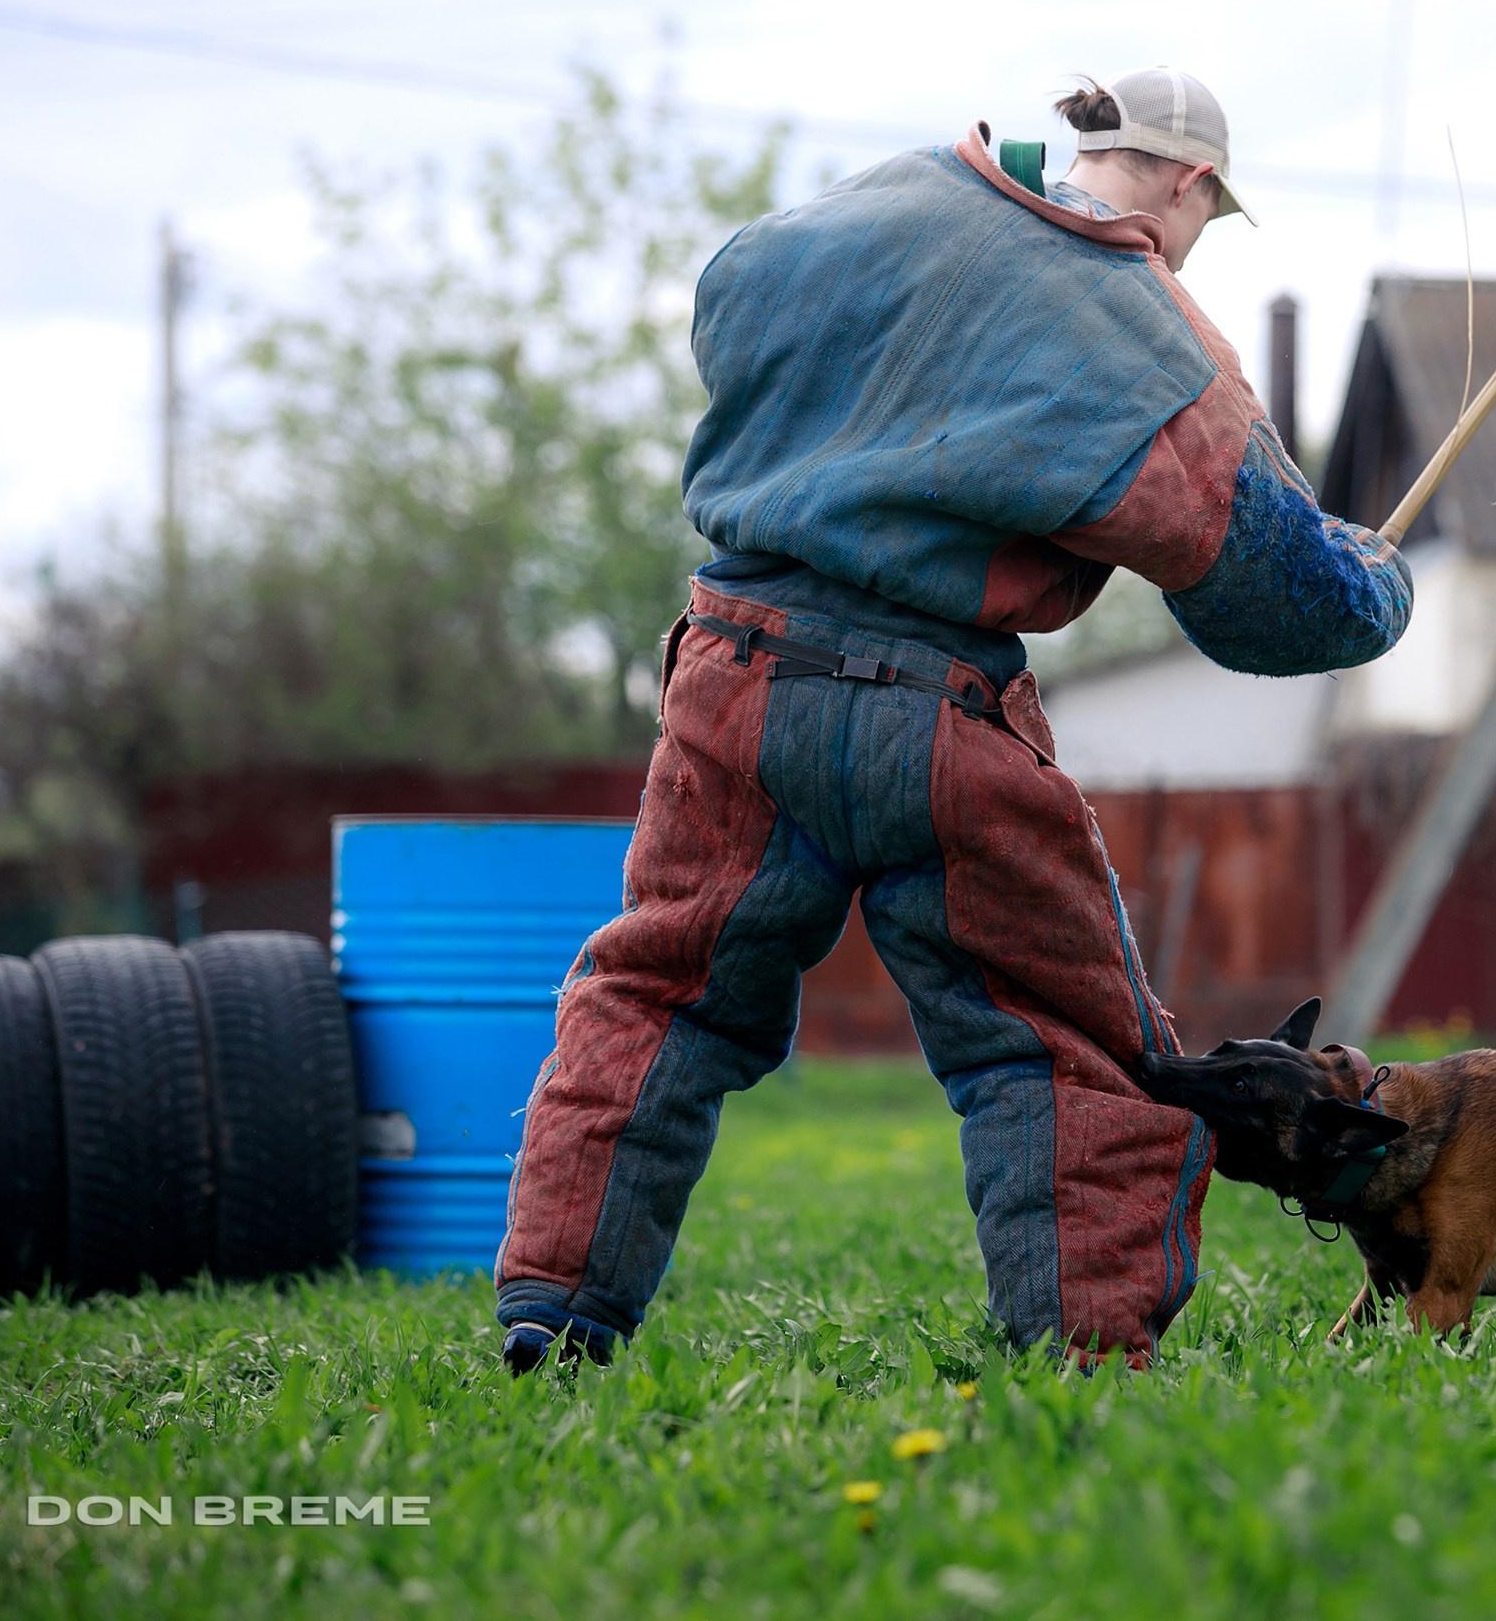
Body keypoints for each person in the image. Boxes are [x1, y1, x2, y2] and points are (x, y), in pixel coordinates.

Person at [495, 68, 1413, 1373]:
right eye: (1206, 220)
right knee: (1063, 1042)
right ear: (1190, 183)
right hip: (936, 715)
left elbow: (731, 289)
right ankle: (1085, 1357)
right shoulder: (1150, 336)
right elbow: (1276, 605)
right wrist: (1373, 581)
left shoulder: (874, 204)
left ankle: (554, 1311)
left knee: (655, 991)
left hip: (732, 673)